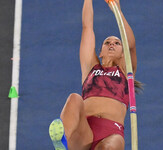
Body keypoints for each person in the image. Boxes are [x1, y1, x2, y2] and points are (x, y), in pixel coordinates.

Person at [49, 0, 142, 150]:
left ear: (122, 54)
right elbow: (87, 27)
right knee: (74, 98)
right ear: (100, 52)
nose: (112, 44)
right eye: (107, 43)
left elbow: (130, 45)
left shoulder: (125, 71)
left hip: (111, 132)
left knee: (109, 147)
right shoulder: (90, 68)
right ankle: (62, 142)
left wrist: (117, 10)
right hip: (85, 132)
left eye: (117, 43)